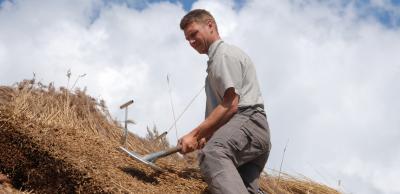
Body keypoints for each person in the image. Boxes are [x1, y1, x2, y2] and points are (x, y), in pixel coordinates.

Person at [177, 9, 271, 194]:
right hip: (250, 134)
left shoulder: (223, 55)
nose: (191, 42)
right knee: (241, 187)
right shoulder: (215, 62)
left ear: (210, 25)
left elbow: (231, 104)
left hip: (248, 123)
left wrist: (195, 135)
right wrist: (205, 137)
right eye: (187, 39)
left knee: (213, 154)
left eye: (194, 34)